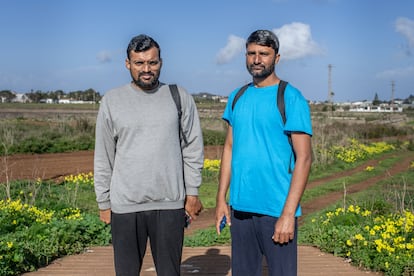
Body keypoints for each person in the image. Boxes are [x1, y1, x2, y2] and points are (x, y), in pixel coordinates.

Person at [94, 34, 204, 276]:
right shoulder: (112, 101)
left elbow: (193, 148)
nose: (146, 69)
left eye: (152, 63)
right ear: (128, 64)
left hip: (169, 205)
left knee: (169, 272)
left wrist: (192, 192)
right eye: (139, 63)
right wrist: (104, 202)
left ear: (161, 62)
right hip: (124, 207)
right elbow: (104, 156)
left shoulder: (179, 96)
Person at [215, 29, 312, 276]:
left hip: (276, 209)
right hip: (241, 208)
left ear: (276, 58)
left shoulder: (290, 97)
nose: (256, 59)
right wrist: (221, 200)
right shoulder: (237, 96)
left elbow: (304, 158)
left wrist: (289, 214)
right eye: (251, 53)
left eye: (264, 54)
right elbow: (229, 148)